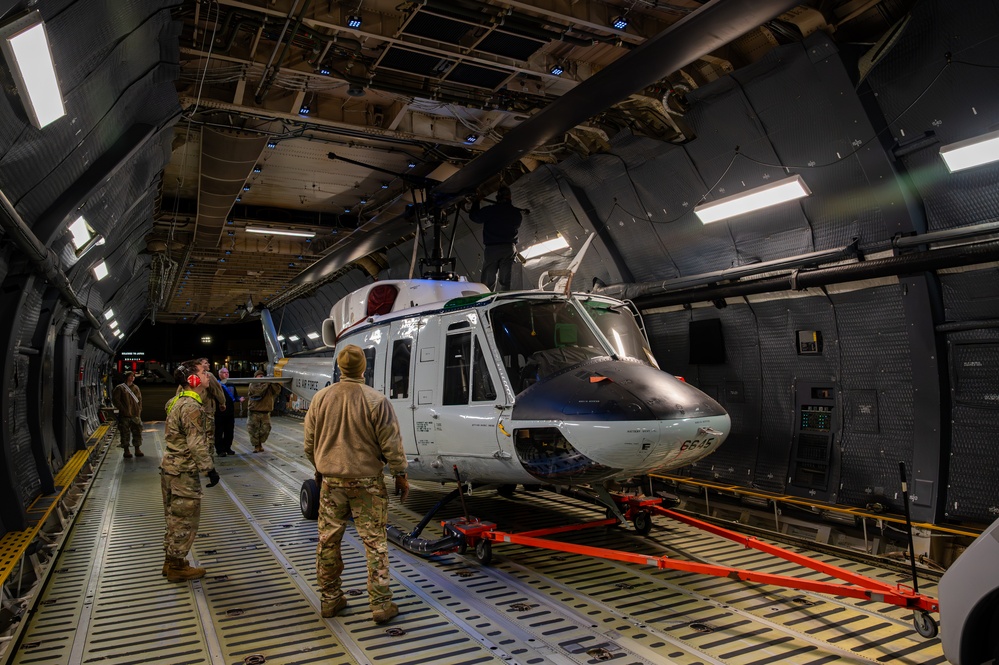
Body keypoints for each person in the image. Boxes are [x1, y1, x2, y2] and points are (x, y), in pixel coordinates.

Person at [304, 344, 409, 624]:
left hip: (331, 483)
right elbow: (392, 445)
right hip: (367, 484)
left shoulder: (320, 398)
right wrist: (400, 473)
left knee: (328, 540)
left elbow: (309, 443)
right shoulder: (376, 400)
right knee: (374, 543)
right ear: (364, 368)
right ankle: (380, 604)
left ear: (340, 368)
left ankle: (330, 600)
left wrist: (320, 468)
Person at [160, 359, 221, 582]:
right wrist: (209, 469)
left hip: (170, 468)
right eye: (203, 372)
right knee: (185, 519)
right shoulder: (192, 407)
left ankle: (171, 561)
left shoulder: (174, 401)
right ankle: (177, 568)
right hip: (183, 472)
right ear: (193, 379)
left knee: (173, 516)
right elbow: (196, 443)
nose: (207, 376)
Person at [469, 185, 522, 292]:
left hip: (492, 249)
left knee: (488, 281)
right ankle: (507, 300)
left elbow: (474, 216)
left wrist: (476, 201)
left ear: (497, 197)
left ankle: (487, 300)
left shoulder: (490, 211)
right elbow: (517, 224)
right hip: (509, 248)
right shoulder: (516, 213)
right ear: (510, 197)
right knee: (507, 281)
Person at [246, 369, 282, 453]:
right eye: (259, 376)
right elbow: (258, 392)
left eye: (262, 376)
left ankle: (260, 443)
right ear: (255, 377)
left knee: (265, 429)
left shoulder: (268, 384)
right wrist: (267, 383)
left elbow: (277, 391)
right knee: (253, 429)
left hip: (266, 411)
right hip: (254, 410)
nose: (261, 377)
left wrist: (273, 382)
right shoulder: (253, 384)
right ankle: (256, 446)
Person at [112, 371, 143, 458]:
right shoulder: (120, 388)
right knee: (125, 432)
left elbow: (140, 399)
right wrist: (123, 409)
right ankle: (126, 450)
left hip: (135, 414)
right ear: (126, 377)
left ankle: (137, 448)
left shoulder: (136, 388)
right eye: (131, 376)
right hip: (124, 415)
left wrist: (139, 410)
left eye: (133, 376)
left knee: (137, 431)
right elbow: (116, 400)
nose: (133, 377)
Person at [215, 367, 244, 456]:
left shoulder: (231, 384)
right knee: (219, 432)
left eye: (227, 372)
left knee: (229, 432)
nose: (226, 374)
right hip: (219, 413)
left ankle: (228, 448)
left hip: (230, 412)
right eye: (224, 372)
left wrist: (239, 399)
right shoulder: (216, 384)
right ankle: (220, 450)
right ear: (219, 374)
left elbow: (234, 396)